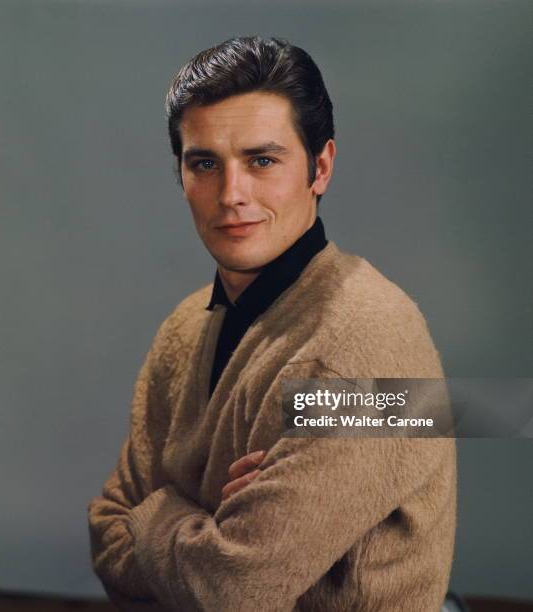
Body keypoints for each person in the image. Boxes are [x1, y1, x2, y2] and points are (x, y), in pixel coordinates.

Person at [87, 36, 456, 612]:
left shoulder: (367, 342)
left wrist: (158, 511)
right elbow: (106, 535)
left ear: (321, 166)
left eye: (262, 160)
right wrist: (210, 533)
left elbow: (233, 588)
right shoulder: (185, 327)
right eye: (204, 163)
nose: (232, 195)